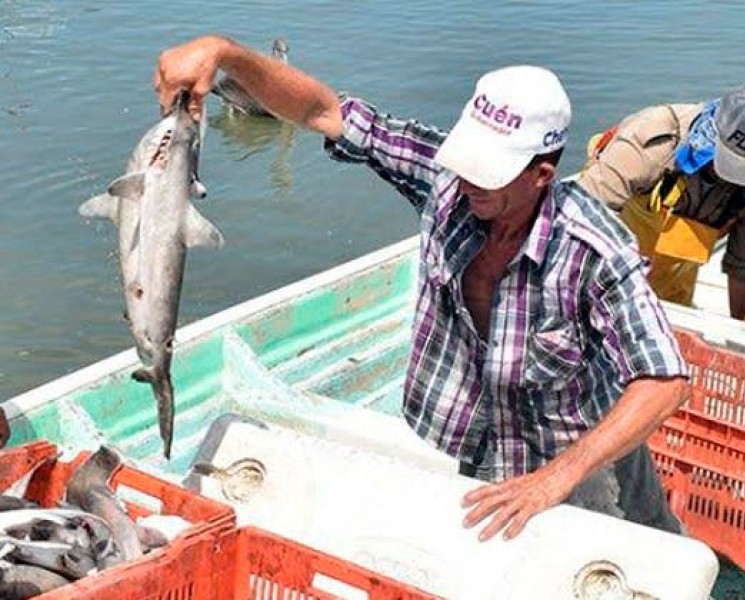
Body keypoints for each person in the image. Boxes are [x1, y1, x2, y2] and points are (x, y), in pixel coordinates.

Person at [154, 35, 688, 541]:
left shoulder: (596, 248)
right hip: (466, 446)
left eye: (491, 172)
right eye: (468, 161)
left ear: (542, 173)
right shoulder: (446, 179)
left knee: (642, 556)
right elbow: (324, 112)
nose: (470, 181)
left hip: (576, 460)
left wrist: (558, 478)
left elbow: (664, 379)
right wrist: (224, 53)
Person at [577, 85, 745, 324]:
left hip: (674, 287)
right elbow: (577, 218)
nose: (733, 179)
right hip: (607, 269)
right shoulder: (654, 142)